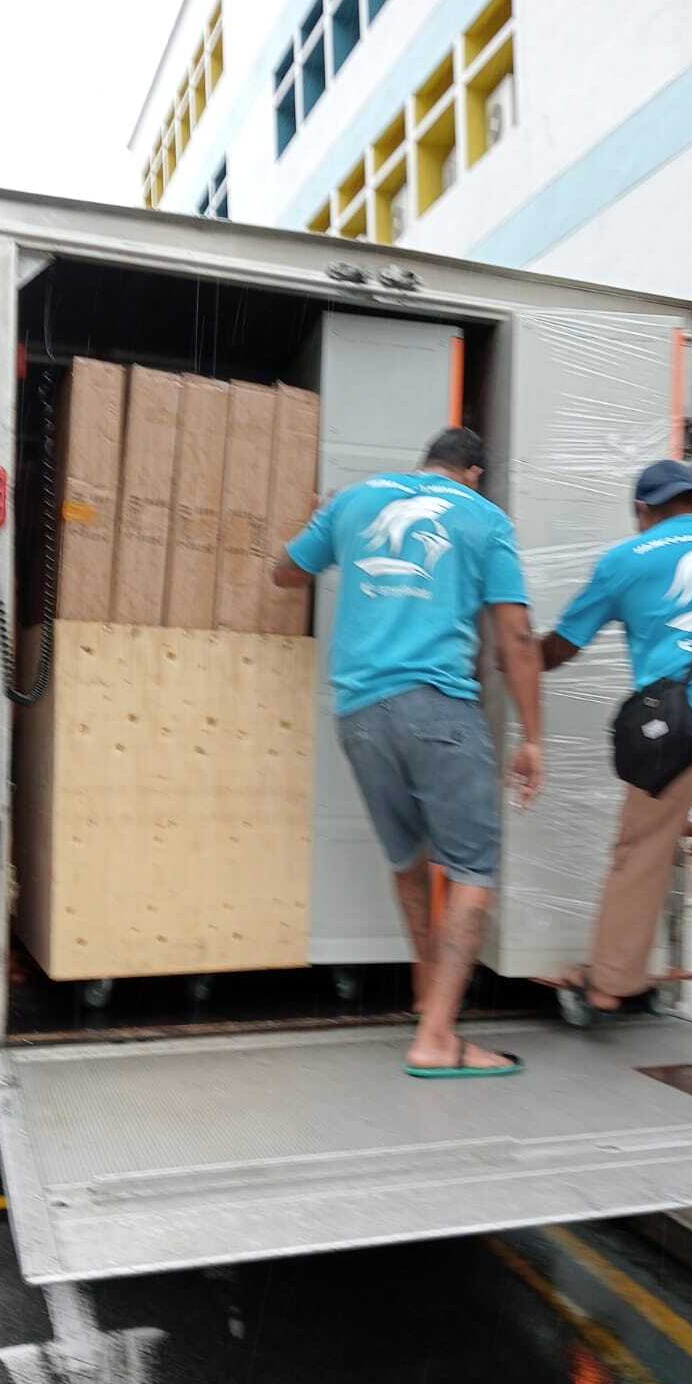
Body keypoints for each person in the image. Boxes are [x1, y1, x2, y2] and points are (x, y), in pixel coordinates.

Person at [272, 427, 543, 1078]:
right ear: (473, 472)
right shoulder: (484, 518)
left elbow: (285, 573)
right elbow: (516, 637)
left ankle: (429, 998)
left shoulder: (355, 502)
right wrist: (533, 737)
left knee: (408, 860)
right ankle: (437, 1039)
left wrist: (319, 517)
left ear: (426, 461)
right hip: (439, 709)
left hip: (360, 715)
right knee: (474, 873)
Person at [541, 459, 692, 1106]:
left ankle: (608, 985)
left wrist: (513, 655)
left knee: (641, 858)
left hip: (676, 737)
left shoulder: (628, 557)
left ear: (643, 510)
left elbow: (563, 646)